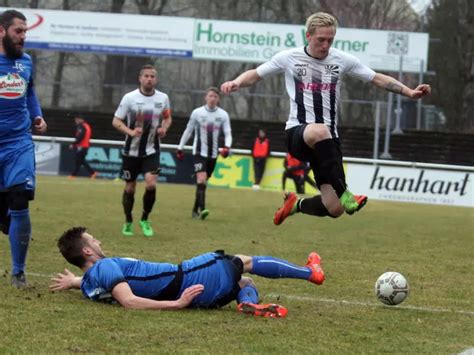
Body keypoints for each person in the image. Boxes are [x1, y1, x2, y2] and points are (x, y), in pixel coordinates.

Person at [221, 12, 431, 225]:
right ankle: (346, 193)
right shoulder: (289, 58)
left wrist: (410, 92)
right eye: (321, 39)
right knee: (320, 130)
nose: (326, 45)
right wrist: (236, 82)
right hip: (298, 133)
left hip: (327, 142)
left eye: (330, 40)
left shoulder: (341, 59)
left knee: (334, 208)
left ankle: (296, 205)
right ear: (308, 36)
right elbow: (255, 74)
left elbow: (377, 78)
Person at [50, 226, 325, 318]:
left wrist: (70, 281)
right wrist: (178, 304)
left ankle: (248, 303)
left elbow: (83, 281)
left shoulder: (88, 284)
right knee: (243, 260)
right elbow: (129, 302)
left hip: (194, 291)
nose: (99, 242)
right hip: (189, 278)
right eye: (93, 240)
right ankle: (309, 272)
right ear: (87, 252)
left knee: (245, 281)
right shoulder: (106, 267)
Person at [0, 9, 47, 288]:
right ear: (2, 31)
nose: (23, 37)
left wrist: (37, 115)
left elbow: (30, 93)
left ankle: (18, 273)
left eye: (25, 32)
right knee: (6, 213)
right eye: (18, 31)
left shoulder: (26, 62)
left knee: (20, 201)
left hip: (19, 143)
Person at [112, 64, 172, 237]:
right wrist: (130, 132)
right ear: (140, 78)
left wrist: (164, 128)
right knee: (130, 188)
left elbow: (167, 118)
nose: (149, 79)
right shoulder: (129, 98)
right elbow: (116, 121)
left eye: (152, 76)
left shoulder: (163, 98)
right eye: (146, 76)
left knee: (151, 183)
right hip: (130, 152)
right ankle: (128, 220)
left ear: (156, 79)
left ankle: (145, 218)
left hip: (153, 151)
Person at [176, 87, 232, 220]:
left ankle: (195, 210)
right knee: (201, 179)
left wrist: (227, 147)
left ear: (218, 99)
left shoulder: (223, 115)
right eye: (210, 96)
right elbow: (188, 131)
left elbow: (228, 133)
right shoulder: (197, 113)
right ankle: (203, 208)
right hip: (199, 153)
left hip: (213, 155)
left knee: (203, 182)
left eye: (215, 97)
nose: (212, 99)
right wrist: (180, 147)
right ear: (205, 98)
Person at [68, 113, 97, 179]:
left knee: (80, 161)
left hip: (81, 146)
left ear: (80, 119)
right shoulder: (86, 125)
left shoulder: (81, 126)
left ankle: (92, 173)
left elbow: (81, 136)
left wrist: (74, 144)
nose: (75, 121)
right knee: (80, 161)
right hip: (85, 146)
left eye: (76, 120)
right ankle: (74, 175)